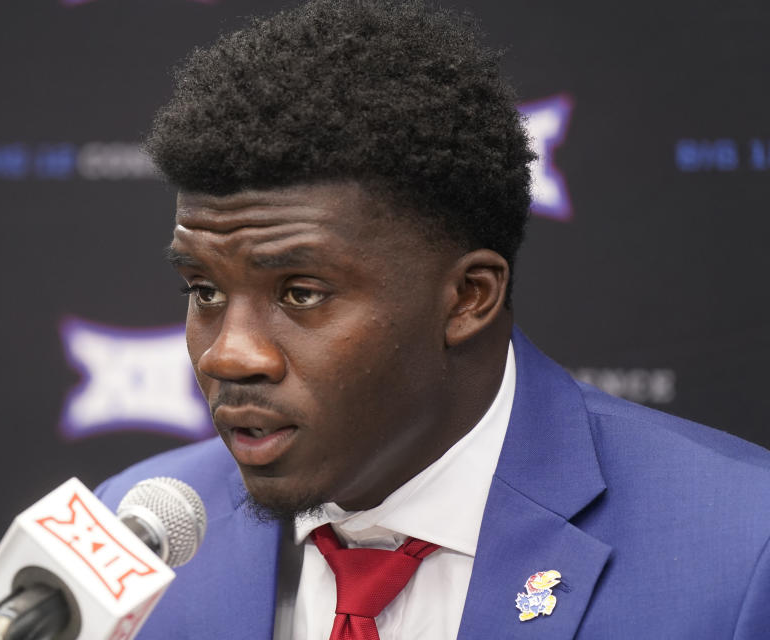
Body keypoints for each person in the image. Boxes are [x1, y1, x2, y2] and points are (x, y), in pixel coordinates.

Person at [96, 1, 770, 638]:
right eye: (205, 290)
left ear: (468, 298)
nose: (228, 356)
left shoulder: (741, 551)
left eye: (302, 292)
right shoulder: (130, 537)